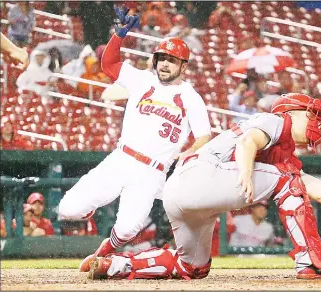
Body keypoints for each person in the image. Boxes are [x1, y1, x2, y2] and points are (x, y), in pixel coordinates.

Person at [86, 94, 321, 281]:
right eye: (311, 114)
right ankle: (311, 262)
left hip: (181, 192)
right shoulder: (276, 120)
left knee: (192, 267)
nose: (316, 122)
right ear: (292, 111)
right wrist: (246, 173)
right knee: (287, 180)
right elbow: (249, 142)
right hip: (204, 174)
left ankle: (114, 265)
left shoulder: (284, 160)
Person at [58, 7, 211, 274]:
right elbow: (108, 64)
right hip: (121, 159)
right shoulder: (142, 80)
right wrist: (118, 36)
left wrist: (189, 153)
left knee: (129, 228)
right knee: (67, 210)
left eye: (171, 60)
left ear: (183, 66)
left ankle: (104, 251)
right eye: (161, 58)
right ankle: (89, 208)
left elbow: (204, 136)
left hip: (152, 173)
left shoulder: (190, 96)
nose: (164, 63)